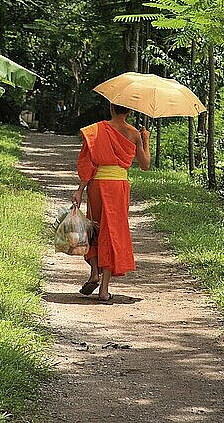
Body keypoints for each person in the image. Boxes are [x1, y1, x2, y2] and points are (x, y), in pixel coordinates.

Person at [71, 103, 151, 302]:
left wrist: (80, 190)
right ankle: (104, 290)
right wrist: (145, 141)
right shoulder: (134, 134)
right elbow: (145, 165)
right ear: (130, 111)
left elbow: (88, 164)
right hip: (118, 187)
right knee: (112, 232)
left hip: (97, 185)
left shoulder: (96, 130)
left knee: (95, 228)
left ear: (110, 108)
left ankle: (94, 274)